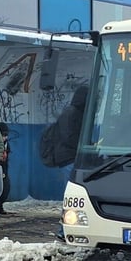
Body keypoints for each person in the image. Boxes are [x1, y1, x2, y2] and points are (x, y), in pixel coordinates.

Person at [52, 85, 88, 241]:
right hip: (70, 158)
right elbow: (69, 137)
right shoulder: (73, 114)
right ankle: (64, 229)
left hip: (67, 157)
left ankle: (65, 228)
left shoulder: (71, 112)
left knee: (71, 196)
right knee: (71, 196)